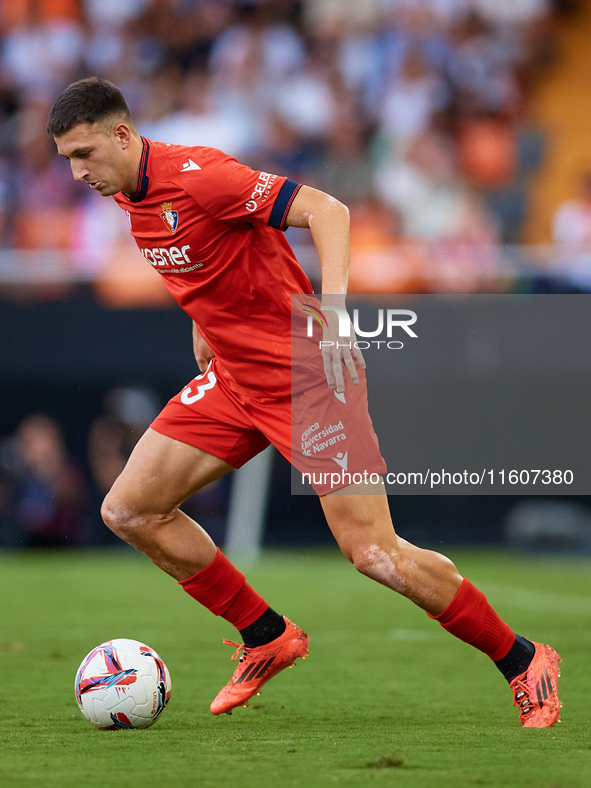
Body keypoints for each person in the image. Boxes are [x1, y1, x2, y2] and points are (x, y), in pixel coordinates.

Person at [47, 77, 561, 727]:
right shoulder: (129, 193)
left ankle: (523, 660)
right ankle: (266, 635)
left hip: (308, 378)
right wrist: (204, 323)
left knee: (373, 555)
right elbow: (207, 258)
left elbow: (328, 210)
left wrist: (340, 310)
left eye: (85, 153)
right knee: (130, 508)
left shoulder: (202, 175)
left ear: (122, 135)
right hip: (236, 380)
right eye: (68, 158)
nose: (77, 171)